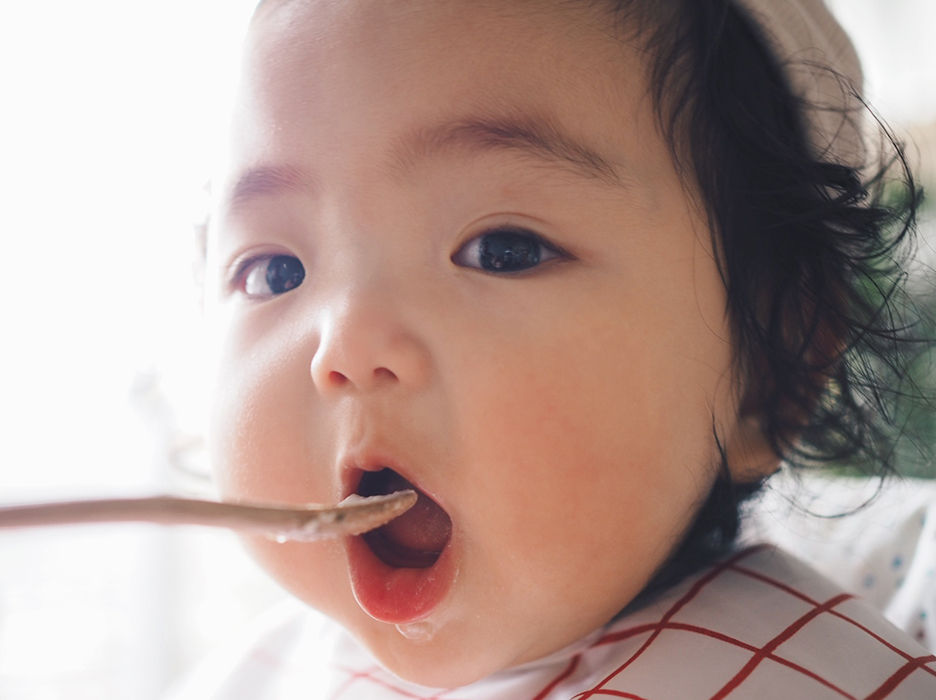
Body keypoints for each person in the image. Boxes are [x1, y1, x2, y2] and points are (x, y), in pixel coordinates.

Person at [180, 0, 936, 697]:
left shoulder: (806, 677)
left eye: (503, 249)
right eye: (275, 271)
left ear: (772, 371)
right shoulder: (254, 675)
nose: (344, 343)